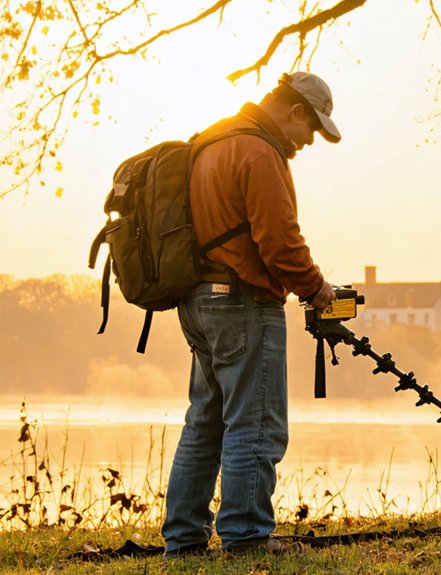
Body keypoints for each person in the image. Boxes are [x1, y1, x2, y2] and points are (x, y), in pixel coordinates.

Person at [161, 71, 340, 557]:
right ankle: (246, 537)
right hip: (243, 301)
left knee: (205, 420)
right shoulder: (260, 152)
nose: (309, 143)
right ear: (295, 112)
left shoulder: (210, 142)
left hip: (199, 300)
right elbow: (280, 244)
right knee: (256, 423)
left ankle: (183, 539)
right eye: (312, 130)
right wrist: (317, 288)